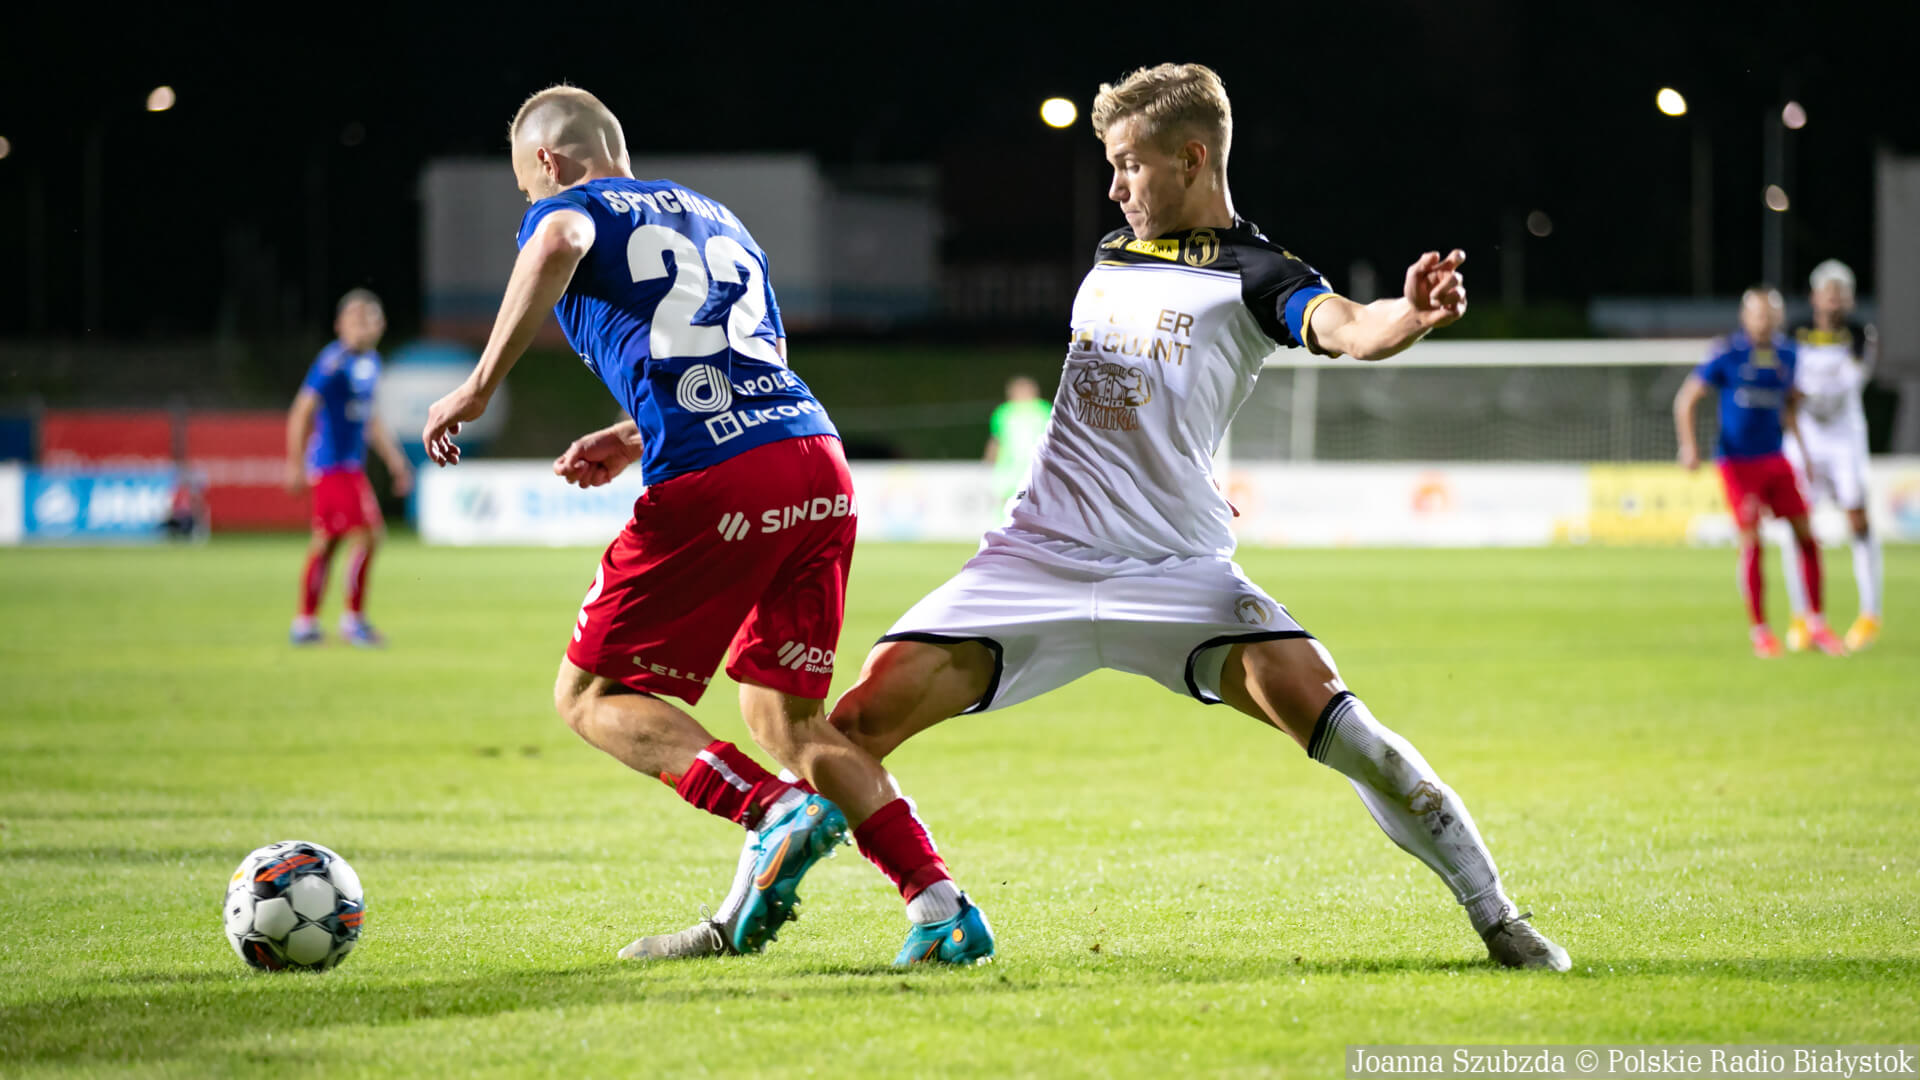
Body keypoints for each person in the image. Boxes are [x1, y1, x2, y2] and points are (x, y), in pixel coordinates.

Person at [641, 63, 1570, 970]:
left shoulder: (1260, 275)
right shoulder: (1112, 256)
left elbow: (1349, 328)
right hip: (1035, 559)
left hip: (1176, 571)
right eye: (1113, 166)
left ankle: (1501, 919)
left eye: (1130, 164)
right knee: (849, 727)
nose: (1117, 186)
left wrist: (1409, 316)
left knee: (1347, 732)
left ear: (1193, 158)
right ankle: (744, 922)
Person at [419, 86, 990, 965]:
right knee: (788, 721)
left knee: (590, 697)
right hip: (813, 457)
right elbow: (754, 354)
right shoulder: (716, 217)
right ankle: (941, 909)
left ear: (547, 162)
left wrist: (477, 386)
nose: (529, 204)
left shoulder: (570, 207)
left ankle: (772, 812)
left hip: (717, 472)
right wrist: (629, 434)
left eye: (525, 186)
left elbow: (560, 240)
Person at [1673, 287, 1844, 658]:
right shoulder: (1726, 353)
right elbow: (1686, 399)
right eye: (1757, 314)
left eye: (1769, 315)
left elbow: (1789, 408)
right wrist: (1689, 446)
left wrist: (1804, 452)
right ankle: (1761, 631)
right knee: (1752, 541)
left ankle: (1816, 624)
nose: (1763, 321)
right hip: (1738, 463)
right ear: (1745, 317)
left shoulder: (1788, 355)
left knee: (1807, 535)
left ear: (1778, 319)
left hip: (1776, 459)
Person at [284, 289, 413, 647]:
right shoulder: (333, 362)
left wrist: (395, 460)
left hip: (348, 467)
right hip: (331, 466)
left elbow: (369, 418)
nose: (364, 326)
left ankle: (305, 623)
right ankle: (352, 621)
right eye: (356, 320)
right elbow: (301, 411)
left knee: (327, 542)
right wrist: (294, 463)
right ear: (340, 325)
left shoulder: (370, 362)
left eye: (370, 319)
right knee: (370, 535)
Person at [1778, 260, 1881, 652]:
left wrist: (1804, 392)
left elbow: (1846, 385)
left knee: (1857, 518)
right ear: (1815, 296)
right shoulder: (1795, 331)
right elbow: (1785, 378)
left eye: (1841, 293)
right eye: (1828, 292)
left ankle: (1869, 613)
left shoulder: (1861, 334)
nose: (1834, 300)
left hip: (1844, 436)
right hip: (1803, 436)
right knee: (1796, 523)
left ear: (1850, 299)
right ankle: (1802, 615)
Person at [984, 375, 1052, 503]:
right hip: (1009, 472)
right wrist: (989, 461)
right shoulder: (1004, 412)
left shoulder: (1044, 410)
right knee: (1012, 502)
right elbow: (997, 440)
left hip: (1036, 469)